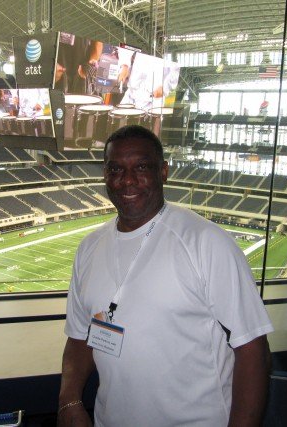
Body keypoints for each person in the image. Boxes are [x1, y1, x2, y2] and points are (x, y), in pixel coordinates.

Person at [58, 124, 274, 427]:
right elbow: (80, 337)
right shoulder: (89, 248)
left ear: (163, 172)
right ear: (105, 175)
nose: (127, 180)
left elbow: (252, 349)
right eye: (116, 169)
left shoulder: (205, 242)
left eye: (141, 167)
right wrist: (68, 399)